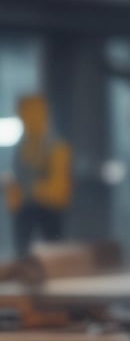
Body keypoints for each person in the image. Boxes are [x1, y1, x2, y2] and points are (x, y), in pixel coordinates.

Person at [4, 93, 72, 258]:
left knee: (52, 247)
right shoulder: (24, 146)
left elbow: (59, 186)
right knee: (24, 247)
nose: (24, 119)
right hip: (27, 206)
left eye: (27, 113)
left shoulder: (56, 146)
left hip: (49, 206)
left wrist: (29, 189)